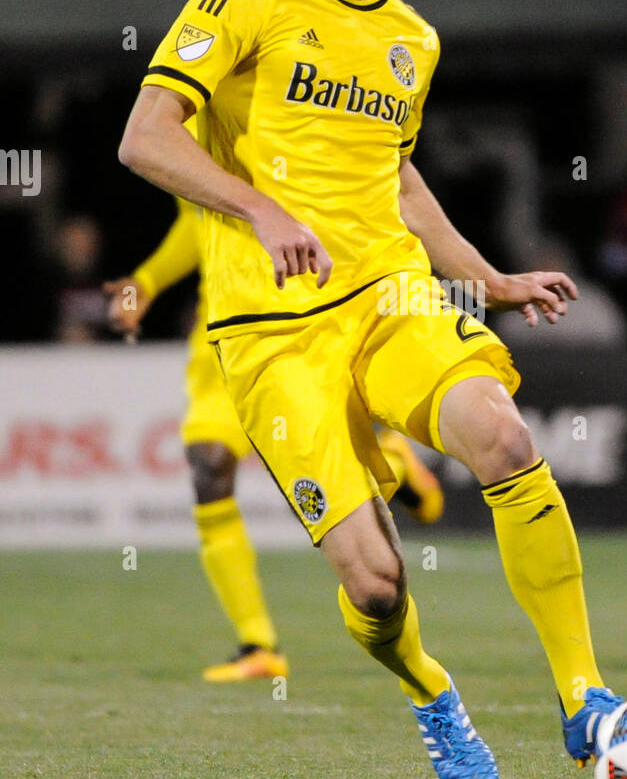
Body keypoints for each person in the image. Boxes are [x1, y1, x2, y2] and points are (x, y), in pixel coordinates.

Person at [118, 0, 621, 779]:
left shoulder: (412, 40)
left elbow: (397, 179)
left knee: (502, 437)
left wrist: (487, 279)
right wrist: (259, 211)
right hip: (269, 332)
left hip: (390, 294)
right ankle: (431, 691)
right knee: (377, 583)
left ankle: (583, 695)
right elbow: (145, 136)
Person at [103, 168, 444, 682]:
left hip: (295, 319)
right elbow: (199, 220)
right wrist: (148, 280)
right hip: (225, 328)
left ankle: (393, 462)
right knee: (208, 464)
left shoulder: (284, 115)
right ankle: (257, 644)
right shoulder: (188, 120)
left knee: (307, 490)